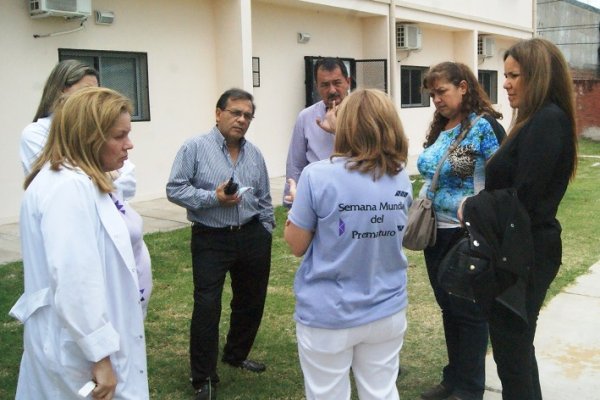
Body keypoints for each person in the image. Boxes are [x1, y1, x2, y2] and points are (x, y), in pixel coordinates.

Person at [9, 87, 149, 399]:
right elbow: (75, 281)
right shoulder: (67, 188)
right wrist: (99, 357)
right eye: (119, 135)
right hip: (79, 354)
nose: (129, 144)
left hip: (88, 338)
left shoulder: (84, 179)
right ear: (89, 136)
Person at [284, 89, 411, 400]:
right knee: (381, 392)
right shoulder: (400, 176)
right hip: (386, 308)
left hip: (330, 313)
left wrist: (295, 202)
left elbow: (296, 244)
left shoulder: (317, 176)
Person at [476, 37, 578, 400]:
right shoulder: (534, 120)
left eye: (514, 75)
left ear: (539, 76)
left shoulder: (548, 120)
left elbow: (525, 198)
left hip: (527, 253)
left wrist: (472, 207)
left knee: (512, 351)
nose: (505, 83)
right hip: (519, 249)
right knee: (514, 349)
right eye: (505, 75)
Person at [166, 88, 274, 400]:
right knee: (207, 306)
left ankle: (236, 355)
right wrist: (213, 198)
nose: (241, 120)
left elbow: (265, 197)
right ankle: (203, 377)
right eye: (235, 112)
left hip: (252, 234)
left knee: (251, 301)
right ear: (218, 113)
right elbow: (175, 188)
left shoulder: (255, 154)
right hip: (211, 238)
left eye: (247, 116)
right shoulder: (195, 147)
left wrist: (266, 227)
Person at [417, 62, 505, 400]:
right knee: (448, 306)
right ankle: (452, 379)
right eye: (432, 93)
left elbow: (499, 179)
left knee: (469, 311)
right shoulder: (444, 126)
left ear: (464, 87)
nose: (436, 99)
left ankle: (469, 388)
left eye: (442, 91)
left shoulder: (483, 128)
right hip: (435, 233)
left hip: (465, 234)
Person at [20, 59, 136, 200]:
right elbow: (64, 182)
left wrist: (98, 176)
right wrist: (106, 175)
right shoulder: (35, 133)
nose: (93, 98)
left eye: (96, 91)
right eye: (87, 90)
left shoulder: (92, 128)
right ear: (61, 90)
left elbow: (129, 183)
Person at [283, 57, 351, 203]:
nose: (332, 90)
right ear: (317, 87)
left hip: (354, 196)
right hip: (317, 197)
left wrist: (338, 130)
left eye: (337, 83)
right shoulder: (306, 117)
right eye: (325, 85)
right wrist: (292, 202)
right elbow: (295, 164)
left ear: (348, 82)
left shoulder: (364, 113)